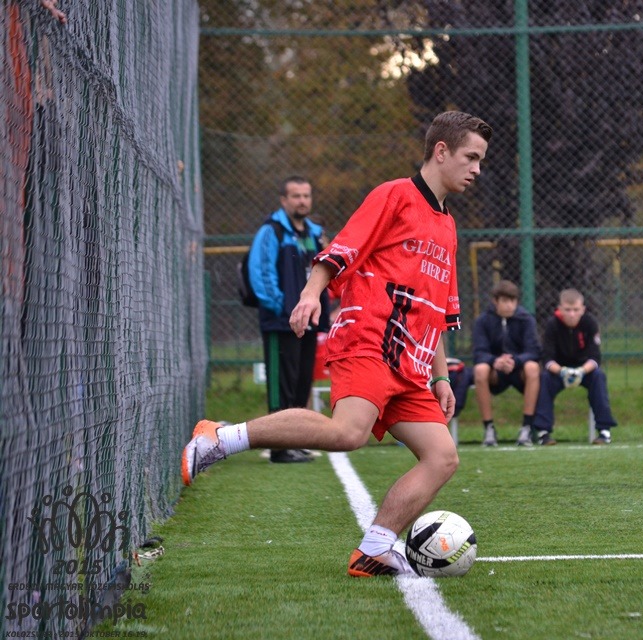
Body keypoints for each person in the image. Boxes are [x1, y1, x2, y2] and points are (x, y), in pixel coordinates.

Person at [182, 111, 492, 577]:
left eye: (481, 160)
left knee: (442, 457)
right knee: (349, 432)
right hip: (369, 340)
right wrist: (310, 294)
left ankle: (375, 549)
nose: (477, 169)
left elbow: (435, 312)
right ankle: (219, 438)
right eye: (471, 157)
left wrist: (441, 377)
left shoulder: (447, 226)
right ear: (441, 151)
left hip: (411, 364)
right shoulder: (394, 195)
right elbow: (339, 252)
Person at [247, 176, 332, 464]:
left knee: (301, 383)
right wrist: (284, 310)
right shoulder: (271, 232)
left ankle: (295, 441)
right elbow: (261, 275)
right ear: (284, 200)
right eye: (296, 196)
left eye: (306, 195)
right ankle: (279, 447)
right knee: (281, 385)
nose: (302, 201)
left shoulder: (315, 234)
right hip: (281, 323)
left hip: (308, 323)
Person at [534, 288, 618, 444]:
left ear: (583, 309)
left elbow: (595, 358)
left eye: (576, 310)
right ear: (560, 309)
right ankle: (543, 433)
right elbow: (547, 358)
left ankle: (604, 431)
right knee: (544, 379)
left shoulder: (590, 323)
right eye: (567, 310)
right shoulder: (552, 325)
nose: (572, 314)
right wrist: (562, 371)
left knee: (599, 377)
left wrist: (581, 371)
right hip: (559, 371)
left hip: (584, 370)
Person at [471, 280, 542, 446]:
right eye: (505, 301)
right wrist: (494, 361)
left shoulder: (526, 319)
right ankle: (489, 429)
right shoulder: (482, 321)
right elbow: (479, 352)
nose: (510, 305)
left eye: (513, 300)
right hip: (495, 372)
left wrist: (516, 361)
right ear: (495, 301)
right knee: (480, 370)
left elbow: (534, 351)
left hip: (519, 370)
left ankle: (526, 428)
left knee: (533, 367)